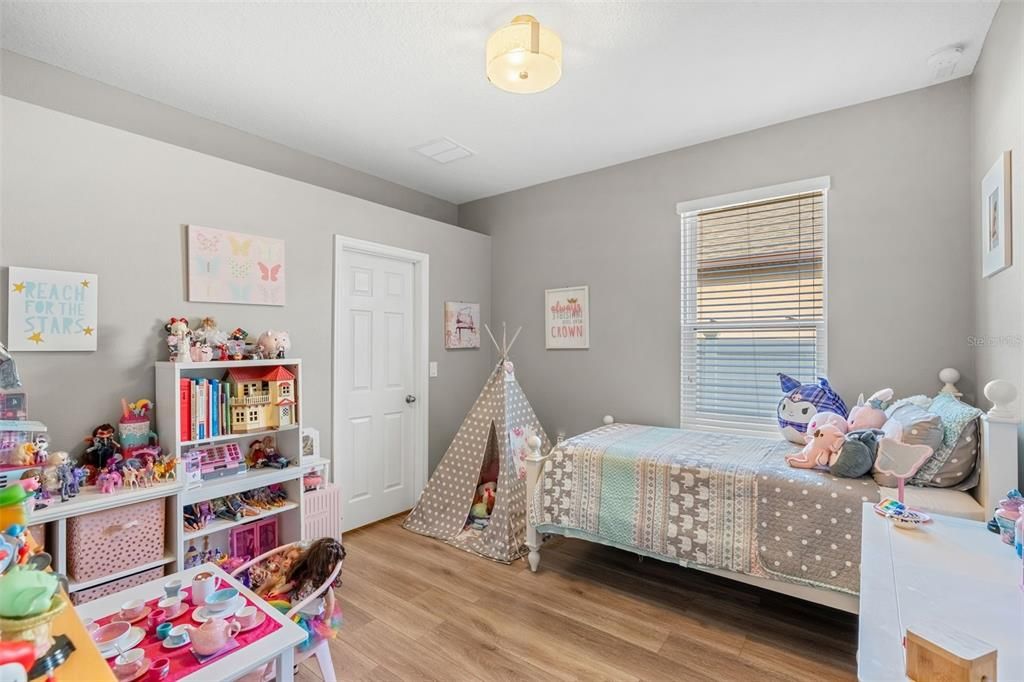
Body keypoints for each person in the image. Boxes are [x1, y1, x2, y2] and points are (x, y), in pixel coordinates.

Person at [267, 538, 345, 651]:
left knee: (291, 638)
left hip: (306, 618)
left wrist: (327, 619)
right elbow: (292, 584)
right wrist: (279, 591)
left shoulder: (325, 586)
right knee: (275, 623)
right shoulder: (306, 574)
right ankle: (279, 654)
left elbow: (330, 604)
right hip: (291, 608)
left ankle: (289, 660)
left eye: (329, 564)